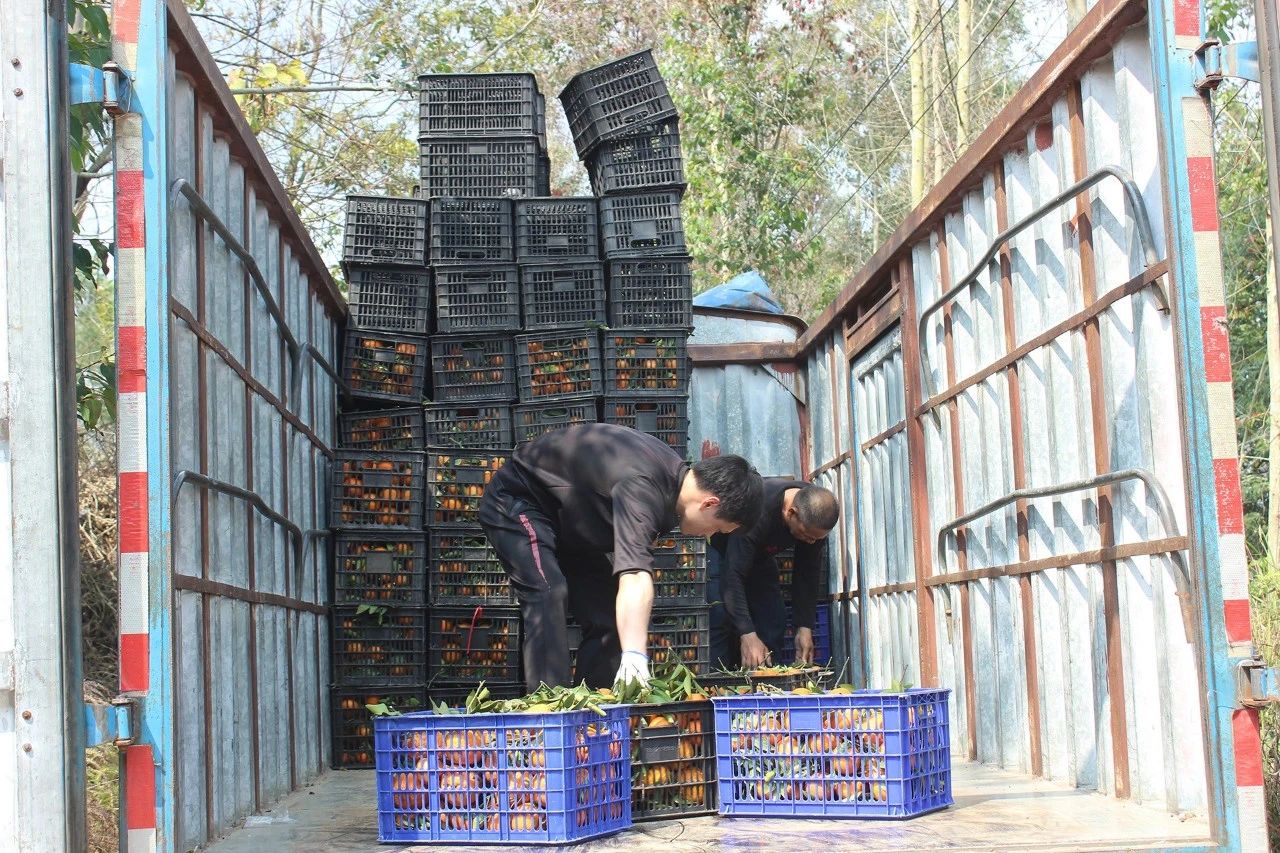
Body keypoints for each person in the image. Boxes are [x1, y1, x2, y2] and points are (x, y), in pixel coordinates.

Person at [478, 422, 764, 692]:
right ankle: (549, 709)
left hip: (571, 525)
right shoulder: (643, 487)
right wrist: (635, 656)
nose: (709, 535)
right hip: (519, 501)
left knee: (610, 618)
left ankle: (593, 707)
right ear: (710, 503)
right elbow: (635, 574)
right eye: (717, 528)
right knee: (548, 592)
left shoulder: (671, 483)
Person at [710, 478, 838, 669]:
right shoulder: (758, 508)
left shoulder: (814, 513)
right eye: (807, 536)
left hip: (761, 556)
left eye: (817, 539)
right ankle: (719, 679)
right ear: (791, 513)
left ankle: (769, 679)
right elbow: (733, 575)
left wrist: (804, 626)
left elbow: (807, 572)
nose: (811, 542)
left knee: (773, 620)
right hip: (724, 551)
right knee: (721, 617)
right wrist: (747, 633)